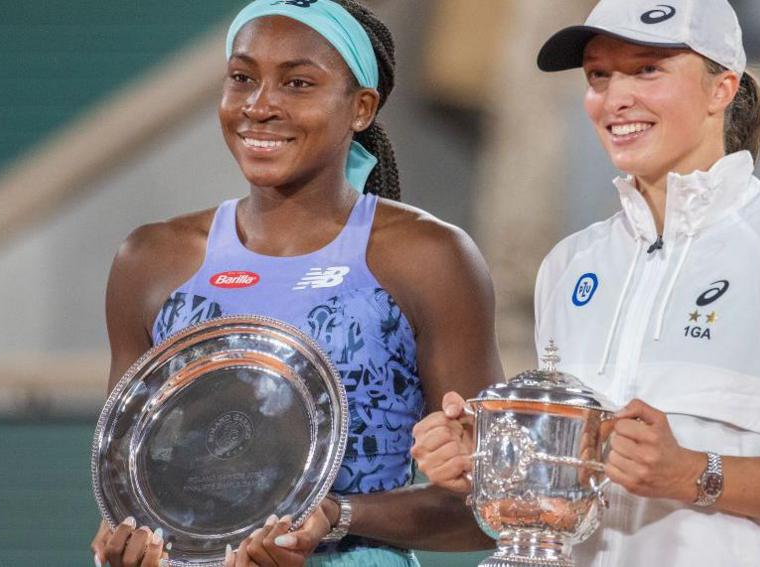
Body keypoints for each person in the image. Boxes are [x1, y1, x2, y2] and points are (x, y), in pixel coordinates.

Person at [409, 0, 760, 565]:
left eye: (647, 69)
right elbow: (573, 486)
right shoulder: (570, 265)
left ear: (722, 88)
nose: (615, 97)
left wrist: (697, 473)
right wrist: (491, 457)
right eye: (599, 74)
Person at [89, 1, 502, 566]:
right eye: (242, 78)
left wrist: (337, 516)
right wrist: (126, 549)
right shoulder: (149, 259)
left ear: (361, 108)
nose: (259, 106)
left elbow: (492, 505)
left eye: (298, 83)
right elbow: (137, 490)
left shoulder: (429, 257)